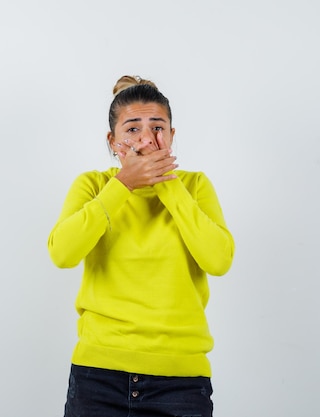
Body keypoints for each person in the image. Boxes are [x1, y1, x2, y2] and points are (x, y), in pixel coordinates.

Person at [47, 75, 235, 417]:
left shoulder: (194, 186)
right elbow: (62, 253)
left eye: (158, 127)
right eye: (132, 128)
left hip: (181, 382)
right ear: (112, 139)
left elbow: (219, 260)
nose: (146, 139)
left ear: (172, 136)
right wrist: (123, 185)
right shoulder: (94, 186)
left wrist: (167, 186)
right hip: (98, 377)